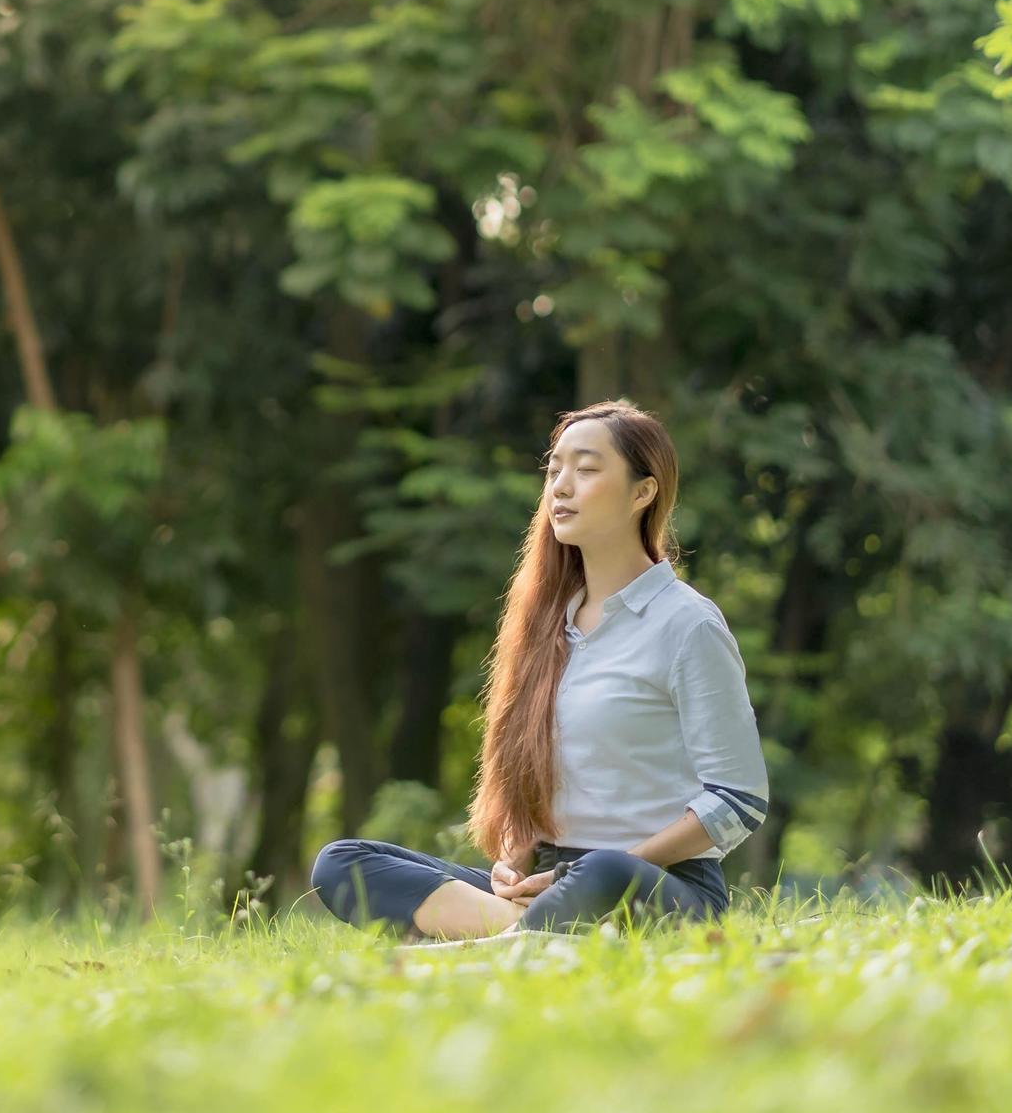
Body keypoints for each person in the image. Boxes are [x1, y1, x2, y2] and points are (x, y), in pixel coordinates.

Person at [309, 400, 767, 945]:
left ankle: (489, 944)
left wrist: (610, 865)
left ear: (643, 493)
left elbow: (739, 799)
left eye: (587, 469)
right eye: (554, 471)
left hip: (651, 883)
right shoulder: (548, 625)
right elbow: (541, 789)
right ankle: (529, 938)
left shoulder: (687, 624)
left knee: (603, 870)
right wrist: (511, 861)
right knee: (342, 862)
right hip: (547, 884)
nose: (561, 487)